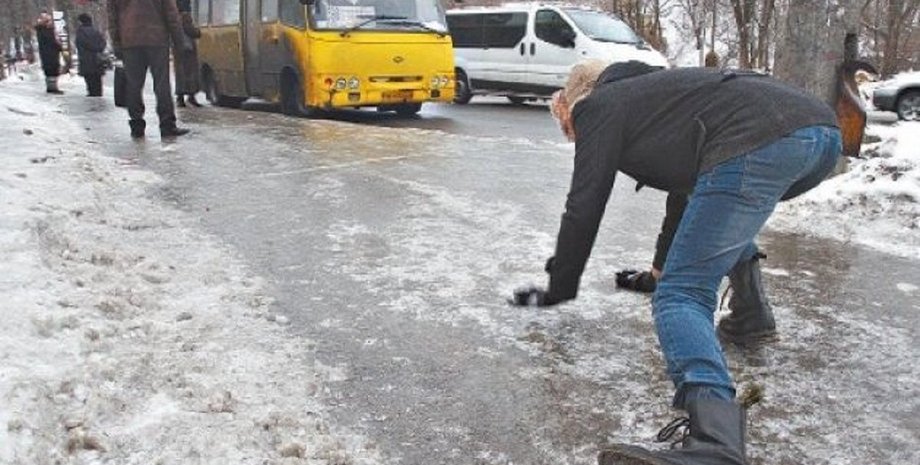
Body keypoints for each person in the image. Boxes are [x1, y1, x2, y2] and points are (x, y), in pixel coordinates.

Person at [510, 60, 842, 465]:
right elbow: (687, 195)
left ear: (576, 99)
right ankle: (751, 316)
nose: (570, 132)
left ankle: (716, 442)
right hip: (820, 136)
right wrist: (655, 272)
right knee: (726, 204)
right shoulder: (661, 96)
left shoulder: (599, 104)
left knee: (681, 296)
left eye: (566, 122)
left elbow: (584, 204)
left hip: (762, 139)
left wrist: (560, 285)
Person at [108, 0, 191, 138]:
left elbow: (112, 16)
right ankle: (167, 125)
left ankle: (136, 126)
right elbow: (171, 13)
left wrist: (116, 42)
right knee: (162, 84)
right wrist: (179, 41)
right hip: (156, 39)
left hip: (129, 40)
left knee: (133, 86)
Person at [174, 0, 203, 108]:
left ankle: (180, 98)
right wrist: (198, 32)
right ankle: (191, 97)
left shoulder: (174, 17)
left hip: (177, 47)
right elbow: (190, 30)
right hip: (188, 48)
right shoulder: (185, 16)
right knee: (190, 72)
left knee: (180, 73)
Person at [75, 14, 107, 97]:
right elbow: (103, 42)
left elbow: (82, 43)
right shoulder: (96, 31)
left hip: (86, 58)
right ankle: (99, 92)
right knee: (97, 78)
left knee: (89, 78)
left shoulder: (80, 32)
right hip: (97, 59)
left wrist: (91, 48)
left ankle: (92, 93)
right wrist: (99, 49)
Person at [34, 12, 63, 94]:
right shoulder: (45, 31)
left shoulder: (42, 30)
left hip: (48, 53)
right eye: (48, 20)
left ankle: (52, 87)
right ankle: (52, 88)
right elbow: (51, 41)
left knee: (51, 70)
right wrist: (58, 46)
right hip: (50, 53)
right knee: (52, 70)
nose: (50, 22)